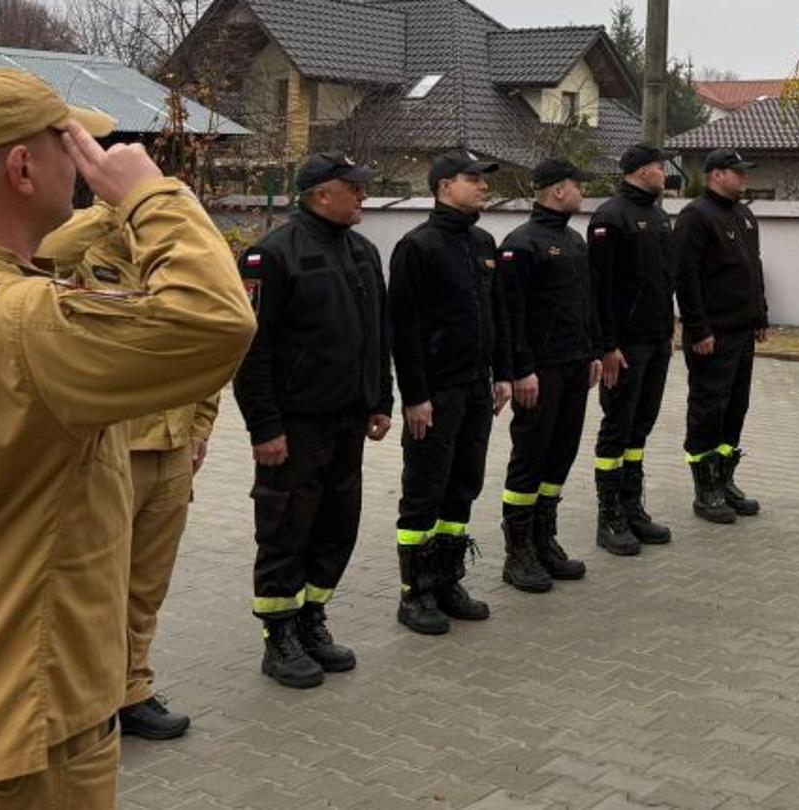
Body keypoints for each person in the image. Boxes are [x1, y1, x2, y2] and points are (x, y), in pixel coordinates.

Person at [0, 66, 255, 806]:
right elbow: (214, 322)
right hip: (12, 738)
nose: (86, 165)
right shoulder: (24, 325)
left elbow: (27, 272)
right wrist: (151, 195)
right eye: (71, 146)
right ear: (23, 168)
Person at [37, 201, 224, 741]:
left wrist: (201, 426)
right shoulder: (82, 254)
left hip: (173, 449)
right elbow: (41, 254)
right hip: (111, 448)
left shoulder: (170, 264)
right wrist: (109, 206)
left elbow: (204, 346)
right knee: (93, 584)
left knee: (146, 585)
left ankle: (132, 690)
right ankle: (82, 697)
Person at [233, 152, 394, 688]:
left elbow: (378, 335)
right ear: (322, 194)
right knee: (286, 528)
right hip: (296, 426)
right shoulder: (271, 256)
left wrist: (381, 399)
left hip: (349, 420)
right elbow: (251, 349)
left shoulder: (364, 252)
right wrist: (264, 427)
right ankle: (278, 635)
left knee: (336, 526)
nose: (363, 195)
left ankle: (311, 620)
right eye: (354, 187)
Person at [386, 149, 511, 635]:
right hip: (436, 394)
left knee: (463, 485)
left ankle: (446, 580)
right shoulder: (417, 247)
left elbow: (496, 314)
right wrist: (415, 396)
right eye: (472, 178)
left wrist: (502, 373)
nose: (483, 186)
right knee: (425, 490)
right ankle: (415, 593)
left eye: (483, 178)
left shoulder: (482, 242)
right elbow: (404, 329)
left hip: (476, 387)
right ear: (443, 187)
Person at [495, 157, 603, 593]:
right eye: (578, 185)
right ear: (558, 190)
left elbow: (586, 304)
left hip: (575, 365)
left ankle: (544, 540)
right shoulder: (521, 244)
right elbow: (511, 315)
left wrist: (593, 351)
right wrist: (521, 369)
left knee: (561, 454)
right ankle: (518, 552)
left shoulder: (574, 241)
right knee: (531, 456)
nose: (583, 192)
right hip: (539, 372)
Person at [589, 144, 681, 554]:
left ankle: (631, 508)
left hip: (656, 340)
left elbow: (664, 279)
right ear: (643, 171)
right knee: (618, 426)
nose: (665, 173)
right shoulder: (611, 217)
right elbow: (600, 289)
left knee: (640, 426)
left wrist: (668, 332)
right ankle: (609, 516)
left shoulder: (659, 217)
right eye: (660, 167)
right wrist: (607, 346)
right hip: (624, 347)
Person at [674, 148, 771, 523]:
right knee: (708, 409)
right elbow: (686, 278)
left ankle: (725, 479)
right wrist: (698, 328)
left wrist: (760, 314)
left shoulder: (744, 215)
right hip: (712, 335)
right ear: (716, 174)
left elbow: (753, 268)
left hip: (742, 331)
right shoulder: (695, 216)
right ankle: (705, 489)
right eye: (737, 172)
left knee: (735, 407)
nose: (744, 177)